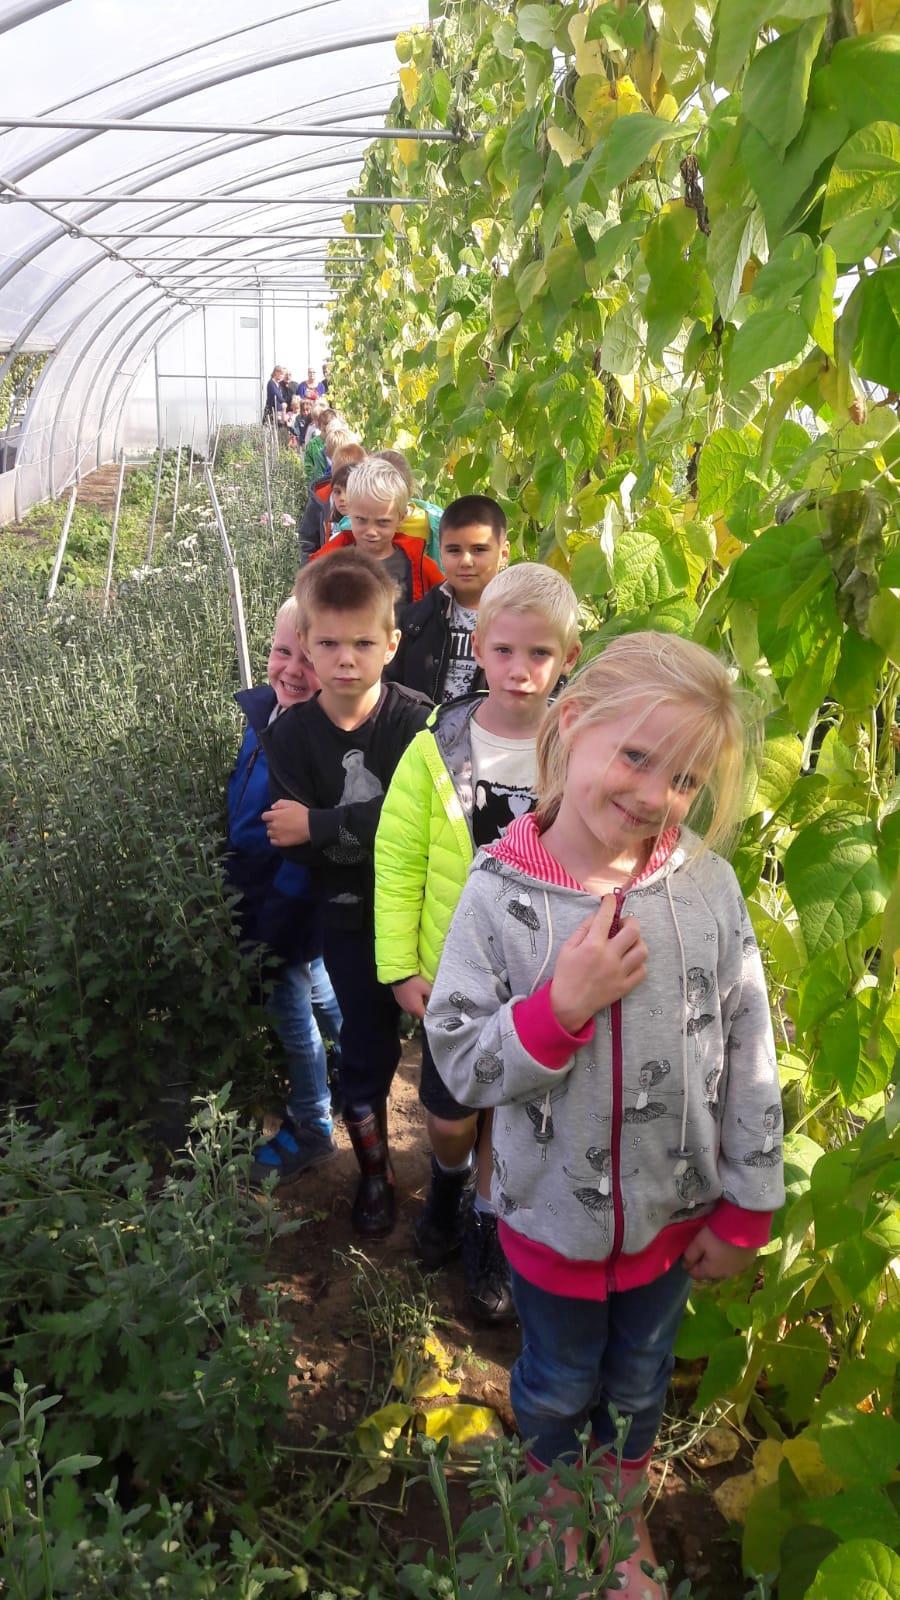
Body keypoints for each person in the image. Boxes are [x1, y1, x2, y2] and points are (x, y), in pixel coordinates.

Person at [425, 631, 784, 1594]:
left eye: (682, 779)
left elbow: (751, 1048)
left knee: (637, 1389)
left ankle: (617, 1524)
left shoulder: (703, 888)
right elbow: (455, 1054)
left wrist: (747, 1205)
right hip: (549, 1220)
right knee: (553, 1385)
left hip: (673, 1223)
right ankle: (553, 1513)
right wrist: (560, 1009)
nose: (652, 794)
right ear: (572, 725)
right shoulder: (500, 895)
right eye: (635, 756)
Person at [375, 565, 581, 1321]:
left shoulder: (578, 754)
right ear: (478, 648)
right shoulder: (438, 749)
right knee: (453, 1112)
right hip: (455, 977)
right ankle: (449, 1181)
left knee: (512, 1114)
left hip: (543, 980)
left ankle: (485, 1223)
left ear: (567, 656)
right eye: (503, 651)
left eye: (539, 655)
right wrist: (400, 966)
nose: (519, 672)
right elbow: (398, 859)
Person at [260, 552, 432, 1237]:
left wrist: (328, 824)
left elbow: (415, 829)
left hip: (424, 910)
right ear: (305, 644)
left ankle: (457, 1190)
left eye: (364, 643)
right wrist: (350, 830)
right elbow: (288, 837)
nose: (346, 659)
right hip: (348, 917)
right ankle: (374, 1173)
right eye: (328, 643)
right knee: (365, 1048)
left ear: (391, 644)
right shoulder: (292, 735)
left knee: (451, 1050)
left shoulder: (417, 723)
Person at [225, 595, 343, 1186]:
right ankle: (353, 1061)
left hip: (285, 906)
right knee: (317, 981)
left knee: (292, 1011)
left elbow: (304, 852)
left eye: (308, 657)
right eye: (281, 652)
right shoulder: (269, 713)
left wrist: (276, 926)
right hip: (262, 889)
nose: (292, 670)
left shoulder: (315, 740)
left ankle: (314, 1123)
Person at [386, 495, 510, 703]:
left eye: (479, 550)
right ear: (441, 552)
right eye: (454, 550)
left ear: (504, 554)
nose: (466, 561)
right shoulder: (416, 620)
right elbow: (393, 686)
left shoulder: (520, 622)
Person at [310, 457, 443, 607]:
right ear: (349, 512)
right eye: (361, 520)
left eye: (383, 522)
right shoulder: (330, 562)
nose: (371, 531)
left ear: (401, 517)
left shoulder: (419, 565)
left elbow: (448, 602)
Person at [298, 441, 367, 565]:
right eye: (338, 490)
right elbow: (308, 540)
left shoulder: (370, 511)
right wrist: (309, 568)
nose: (343, 497)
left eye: (349, 488)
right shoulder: (320, 500)